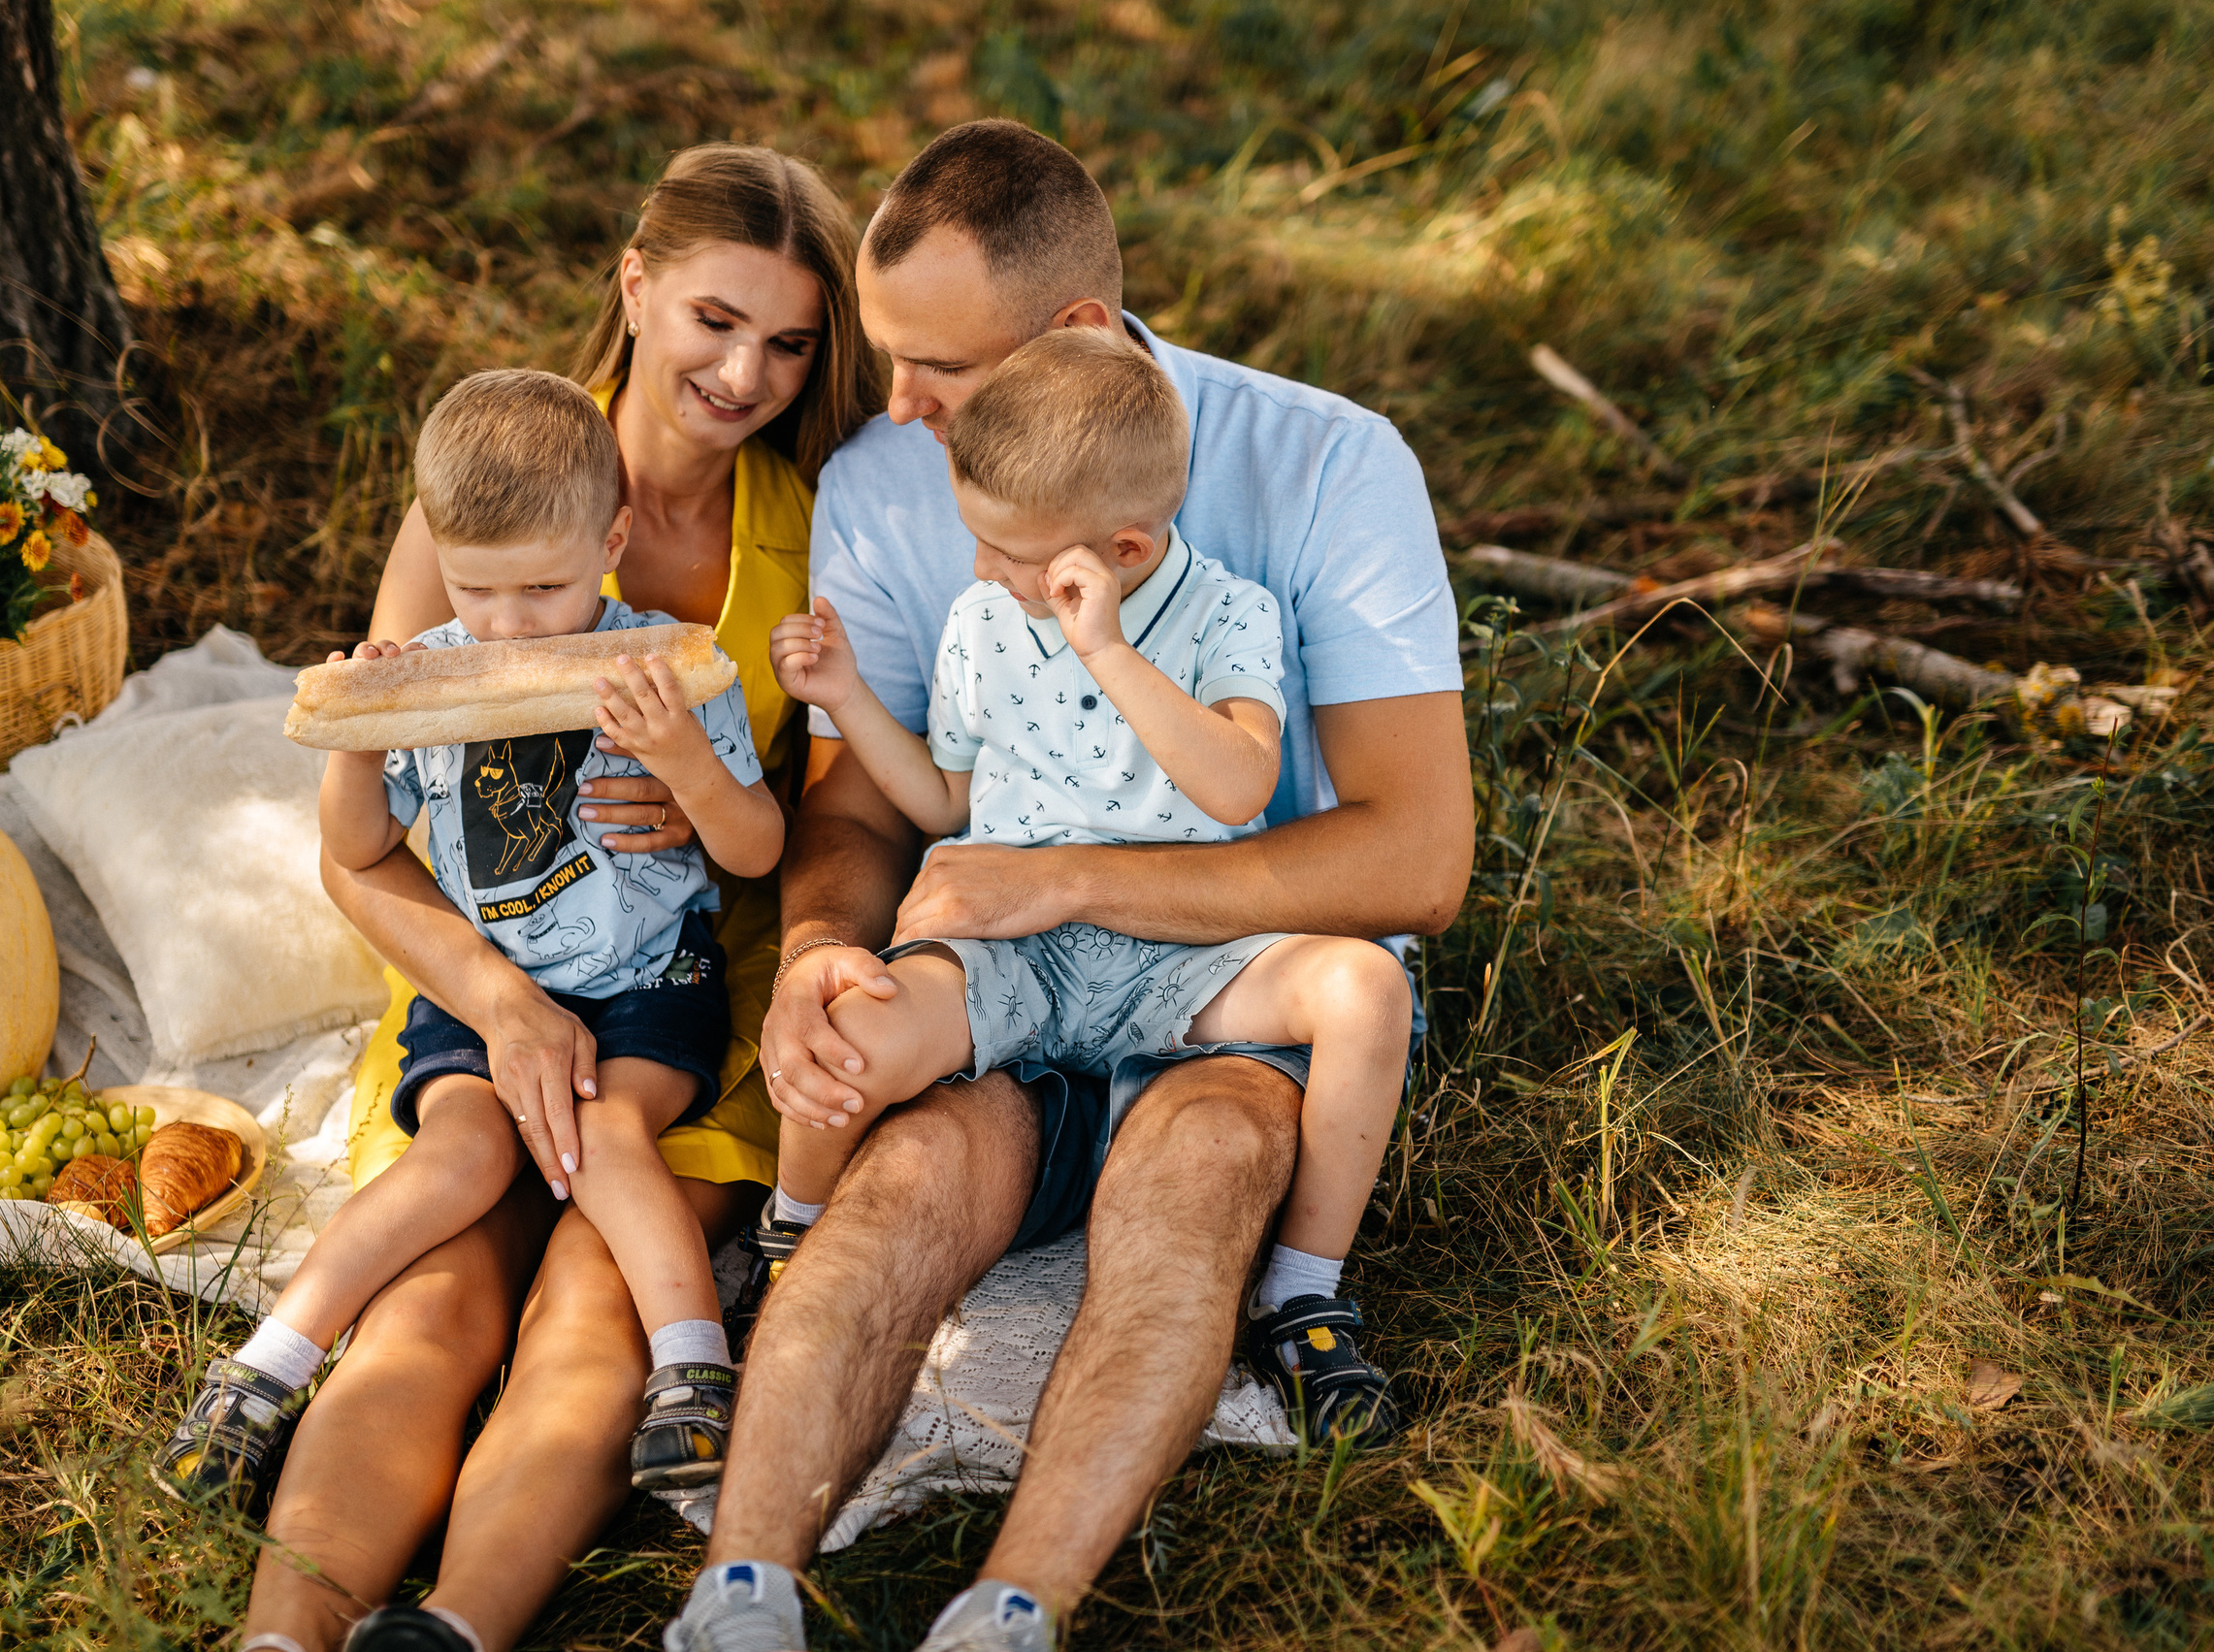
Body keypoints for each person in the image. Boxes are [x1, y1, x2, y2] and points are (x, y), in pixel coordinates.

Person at [664, 120, 1472, 1652]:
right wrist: (829, 953)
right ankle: (739, 1589)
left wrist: (1065, 875)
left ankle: (1010, 1609)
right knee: (902, 1190)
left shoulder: (1325, 462)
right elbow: (868, 785)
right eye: (888, 358)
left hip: (1232, 988)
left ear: (1079, 333)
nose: (895, 407)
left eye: (941, 372)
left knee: (1190, 1183)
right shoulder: (896, 480)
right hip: (1022, 988)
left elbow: (1416, 858)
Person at [225, 145, 881, 1652]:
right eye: (716, 318)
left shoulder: (809, 525)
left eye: (789, 342)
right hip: (485, 975)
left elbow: (809, 815)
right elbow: (362, 840)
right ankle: (282, 1633)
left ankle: (452, 1628)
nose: (745, 371)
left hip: (675, 1001)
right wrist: (504, 1005)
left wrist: (720, 804)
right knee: (434, 1308)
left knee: (589, 1299)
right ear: (636, 285)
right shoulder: (497, 479)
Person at [764, 326, 1414, 1452]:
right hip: (1020, 949)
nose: (980, 572)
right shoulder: (983, 620)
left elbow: (1234, 781)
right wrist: (852, 698)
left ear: (1117, 549)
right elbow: (941, 803)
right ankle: (789, 1231)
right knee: (848, 1017)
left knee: (1365, 987)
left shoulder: (1229, 615)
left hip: (1189, 944)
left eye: (1009, 552)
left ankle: (1305, 1290)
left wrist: (1107, 649)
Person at [157, 367, 784, 1507]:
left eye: (543, 588)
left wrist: (686, 761)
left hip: (651, 975)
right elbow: (356, 848)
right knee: (460, 1156)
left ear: (613, 536)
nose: (503, 625)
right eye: (474, 588)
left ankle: (693, 1367)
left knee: (605, 1135)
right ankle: (264, 1368)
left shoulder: (670, 663)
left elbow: (753, 847)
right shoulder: (430, 659)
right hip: (483, 984)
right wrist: (360, 735)